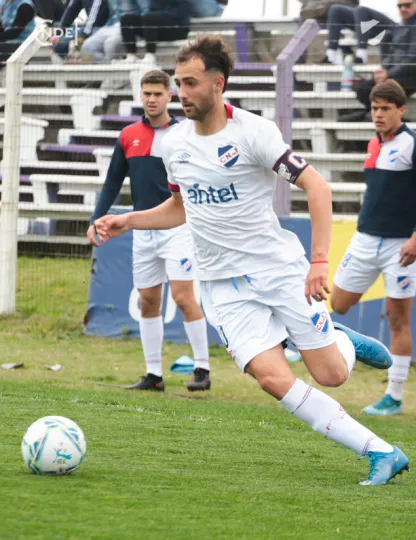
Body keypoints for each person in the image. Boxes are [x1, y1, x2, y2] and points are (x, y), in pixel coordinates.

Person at [95, 35, 410, 485]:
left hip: (276, 270)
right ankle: (380, 451)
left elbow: (318, 187)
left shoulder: (254, 133)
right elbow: (181, 207)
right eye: (178, 83)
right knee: (271, 380)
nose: (182, 93)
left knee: (332, 375)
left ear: (218, 84)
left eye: (190, 83)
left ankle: (340, 339)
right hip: (221, 287)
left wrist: (320, 261)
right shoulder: (174, 144)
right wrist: (128, 220)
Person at [87, 69, 211, 392]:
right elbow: (112, 182)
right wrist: (95, 219)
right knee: (147, 301)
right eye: (147, 94)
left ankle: (203, 369)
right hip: (143, 230)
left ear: (170, 95)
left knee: (183, 298)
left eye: (158, 93)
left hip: (178, 227)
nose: (152, 99)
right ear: (140, 96)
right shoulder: (128, 135)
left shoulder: (185, 134)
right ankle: (153, 375)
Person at [331, 79, 416, 416]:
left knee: (398, 319)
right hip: (365, 239)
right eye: (374, 108)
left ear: (401, 110)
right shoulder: (373, 143)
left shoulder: (411, 143)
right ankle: (350, 344)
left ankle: (393, 396)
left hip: (401, 245)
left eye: (385, 109)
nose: (378, 114)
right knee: (338, 304)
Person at [119, 0, 190, 68]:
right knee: (126, 19)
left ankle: (150, 55)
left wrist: (162, 14)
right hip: (156, 26)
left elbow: (183, 11)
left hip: (177, 28)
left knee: (149, 17)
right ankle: (131, 55)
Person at [82, 0, 148, 62]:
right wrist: (107, 26)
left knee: (110, 44)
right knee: (86, 46)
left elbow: (146, 11)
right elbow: (112, 14)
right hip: (112, 25)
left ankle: (108, 65)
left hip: (129, 27)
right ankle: (106, 63)